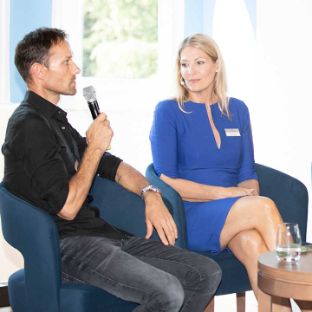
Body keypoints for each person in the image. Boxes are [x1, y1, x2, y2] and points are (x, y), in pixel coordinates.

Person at [2, 28, 222, 312]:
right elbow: (67, 208)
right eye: (66, 62)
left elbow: (114, 168)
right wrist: (94, 147)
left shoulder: (55, 121)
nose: (76, 68)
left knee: (206, 273)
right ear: (39, 72)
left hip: (104, 236)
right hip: (68, 246)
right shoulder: (28, 126)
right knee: (168, 292)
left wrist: (150, 193)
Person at [149, 33, 291, 309]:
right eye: (184, 64)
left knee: (253, 244)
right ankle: (303, 291)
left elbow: (247, 171)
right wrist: (230, 196)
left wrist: (246, 198)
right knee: (263, 208)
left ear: (216, 66)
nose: (190, 72)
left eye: (199, 62)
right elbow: (168, 180)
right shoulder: (168, 111)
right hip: (190, 212)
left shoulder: (237, 109)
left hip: (234, 210)